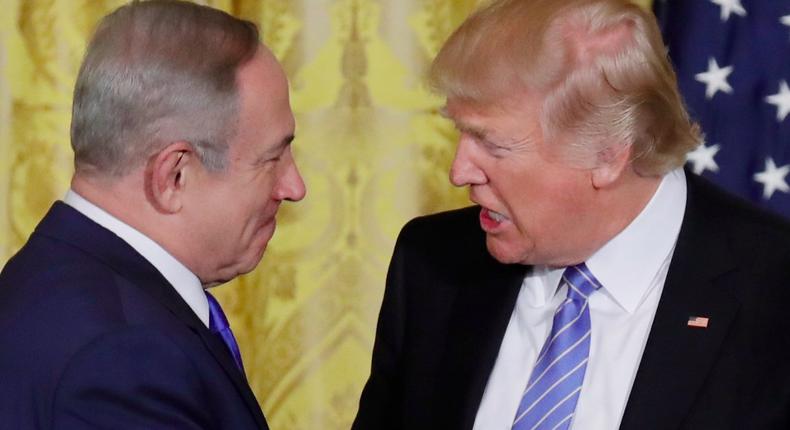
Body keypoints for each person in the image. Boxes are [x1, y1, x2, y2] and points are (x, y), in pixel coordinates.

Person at [353, 0, 790, 429]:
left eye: (493, 145)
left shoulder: (774, 293)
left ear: (608, 155)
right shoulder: (433, 263)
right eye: (461, 134)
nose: (458, 171)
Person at [0, 1, 305, 428]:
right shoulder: (122, 357)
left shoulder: (51, 276)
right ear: (174, 176)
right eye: (272, 159)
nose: (294, 187)